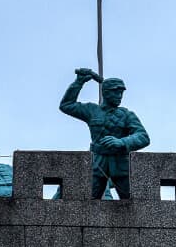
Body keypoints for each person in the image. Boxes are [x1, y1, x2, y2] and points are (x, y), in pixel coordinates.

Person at [59, 68, 150, 199]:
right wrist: (78, 83)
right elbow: (66, 105)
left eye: (121, 93)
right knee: (87, 203)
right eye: (116, 93)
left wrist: (122, 142)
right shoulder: (92, 111)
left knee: (131, 203)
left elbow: (143, 136)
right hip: (97, 162)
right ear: (106, 93)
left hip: (120, 163)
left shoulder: (126, 115)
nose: (119, 96)